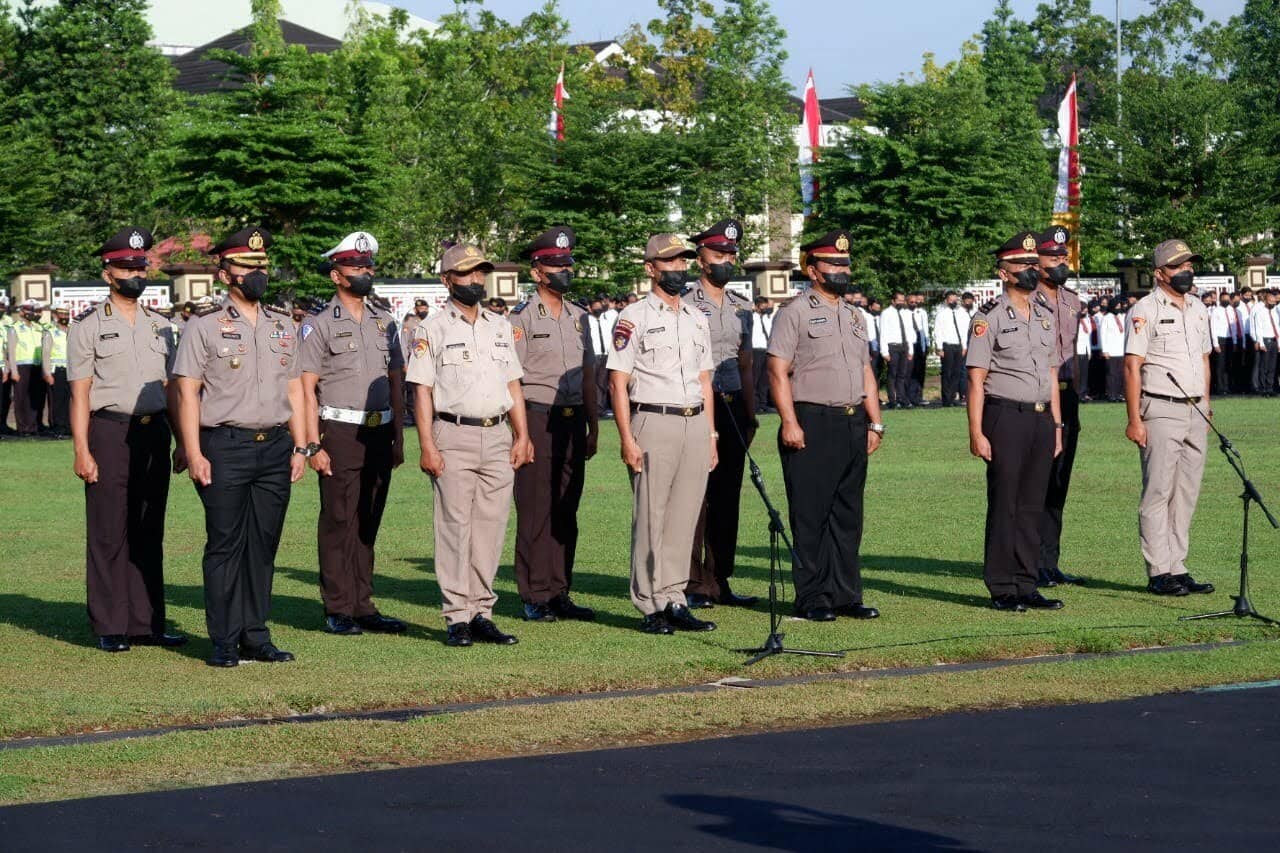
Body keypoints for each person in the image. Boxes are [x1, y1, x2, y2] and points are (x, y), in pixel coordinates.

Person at [173, 226, 305, 667]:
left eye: (262, 266)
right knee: (226, 544)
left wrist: (303, 447)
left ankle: (256, 634)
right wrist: (193, 453)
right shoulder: (204, 326)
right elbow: (187, 392)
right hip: (224, 445)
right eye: (248, 266)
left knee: (263, 544)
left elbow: (297, 390)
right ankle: (224, 639)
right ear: (225, 273)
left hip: (275, 447)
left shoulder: (283, 325)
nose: (257, 273)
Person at [408, 243, 534, 647]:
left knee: (491, 529)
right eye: (466, 274)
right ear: (447, 281)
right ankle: (456, 616)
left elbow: (512, 383)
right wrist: (427, 444)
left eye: (480, 273)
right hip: (454, 434)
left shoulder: (499, 325)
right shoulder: (432, 328)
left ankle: (482, 611)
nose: (476, 280)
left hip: (497, 435)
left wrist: (523, 434)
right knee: (454, 528)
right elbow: (422, 390)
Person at [68, 227, 185, 653]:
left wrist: (184, 442)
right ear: (108, 274)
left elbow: (174, 389)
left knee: (148, 528)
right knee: (108, 530)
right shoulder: (87, 327)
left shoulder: (163, 326)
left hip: (154, 431)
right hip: (110, 431)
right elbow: (80, 394)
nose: (135, 273)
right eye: (126, 267)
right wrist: (82, 449)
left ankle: (146, 622)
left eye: (140, 266)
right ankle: (110, 624)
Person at [768, 230, 883, 622]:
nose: (841, 270)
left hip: (852, 422)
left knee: (848, 515)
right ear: (812, 269)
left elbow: (865, 370)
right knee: (811, 514)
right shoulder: (794, 312)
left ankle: (846, 593)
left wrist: (876, 421)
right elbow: (777, 369)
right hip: (811, 422)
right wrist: (789, 421)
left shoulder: (854, 316)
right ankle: (812, 595)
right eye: (833, 264)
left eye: (845, 264)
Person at [606, 233, 717, 635]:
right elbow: (618, 382)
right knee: (651, 517)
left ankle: (674, 598)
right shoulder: (634, 317)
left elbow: (705, 380)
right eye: (669, 263)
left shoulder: (696, 317)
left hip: (694, 421)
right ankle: (649, 602)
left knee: (684, 518)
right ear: (651, 268)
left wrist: (712, 435)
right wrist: (626, 438)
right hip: (653, 419)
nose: (678, 269)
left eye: (682, 262)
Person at [298, 231, 408, 636]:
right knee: (339, 519)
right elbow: (306, 387)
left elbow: (396, 380)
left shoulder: (385, 321)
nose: (365, 272)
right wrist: (312, 444)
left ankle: (363, 603)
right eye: (356, 266)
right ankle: (338, 606)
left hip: (380, 430)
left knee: (368, 518)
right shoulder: (319, 324)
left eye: (367, 265)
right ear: (336, 275)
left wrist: (400, 434)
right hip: (339, 431)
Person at [966, 231, 1064, 613]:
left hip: (1041, 418)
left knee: (1031, 505)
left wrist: (1056, 427)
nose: (1028, 270)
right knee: (1005, 502)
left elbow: (1052, 375)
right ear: (1004, 273)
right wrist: (976, 431)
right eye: (1020, 265)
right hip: (1005, 415)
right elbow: (975, 379)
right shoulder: (987, 318)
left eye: (1031, 264)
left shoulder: (1043, 315)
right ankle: (1002, 585)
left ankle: (1027, 582)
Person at [508, 226, 598, 623]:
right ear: (537, 272)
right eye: (555, 264)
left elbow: (591, 374)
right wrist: (520, 433)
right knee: (535, 509)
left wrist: (594, 425)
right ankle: (534, 593)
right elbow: (512, 378)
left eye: (567, 263)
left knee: (566, 508)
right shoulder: (521, 319)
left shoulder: (581, 317)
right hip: (538, 417)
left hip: (573, 419)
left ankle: (560, 589)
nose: (564, 270)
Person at [1124, 240, 1215, 597]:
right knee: (1159, 491)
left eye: (1189, 264)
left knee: (1186, 493)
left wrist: (1206, 403)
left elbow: (1205, 358)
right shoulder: (1145, 309)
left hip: (1195, 409)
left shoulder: (1198, 308)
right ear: (1160, 273)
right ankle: (1159, 570)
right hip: (1160, 407)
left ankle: (1178, 565)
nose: (1186, 271)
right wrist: (1135, 419)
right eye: (1178, 266)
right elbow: (1133, 365)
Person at [682, 219, 759, 609]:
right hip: (696, 406)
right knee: (695, 498)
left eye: (731, 255)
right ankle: (694, 581)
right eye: (719, 255)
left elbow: (745, 362)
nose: (727, 261)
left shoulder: (742, 308)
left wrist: (751, 410)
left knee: (727, 497)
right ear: (701, 260)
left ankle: (721, 577)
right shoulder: (685, 303)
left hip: (732, 407)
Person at [1033, 226, 1087, 588]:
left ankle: (1050, 562)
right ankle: (1030, 561)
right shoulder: (1027, 299)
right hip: (1036, 395)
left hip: (1067, 396)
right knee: (1035, 483)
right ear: (1035, 262)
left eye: (1063, 258)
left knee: (1058, 484)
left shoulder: (1072, 302)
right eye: (1053, 258)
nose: (1060, 263)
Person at [7, 301, 48, 436]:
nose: (30, 313)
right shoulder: (14, 328)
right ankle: (23, 428)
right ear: (21, 312)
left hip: (36, 366)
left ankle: (34, 426)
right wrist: (14, 370)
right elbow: (11, 352)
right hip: (21, 366)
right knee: (21, 398)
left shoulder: (38, 328)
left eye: (32, 310)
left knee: (36, 397)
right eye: (27, 310)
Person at [878, 292, 915, 408]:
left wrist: (910, 350)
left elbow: (909, 332)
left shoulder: (906, 313)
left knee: (902, 374)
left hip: (904, 346)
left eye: (903, 300)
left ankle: (901, 398)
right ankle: (893, 400)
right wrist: (884, 351)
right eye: (899, 300)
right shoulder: (886, 313)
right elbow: (883, 332)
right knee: (892, 374)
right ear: (893, 301)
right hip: (892, 347)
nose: (901, 303)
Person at [932, 291, 969, 407]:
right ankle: (946, 399)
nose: (953, 302)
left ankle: (953, 397)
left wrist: (964, 346)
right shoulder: (941, 314)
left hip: (958, 345)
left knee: (957, 373)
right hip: (947, 345)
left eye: (955, 300)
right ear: (946, 300)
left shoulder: (961, 313)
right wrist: (939, 347)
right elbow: (937, 331)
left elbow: (964, 331)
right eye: (951, 300)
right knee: (947, 372)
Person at [42, 306, 72, 436]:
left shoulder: (72, 330)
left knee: (69, 400)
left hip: (70, 370)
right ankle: (57, 427)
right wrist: (47, 372)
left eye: (66, 314)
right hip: (57, 370)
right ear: (55, 315)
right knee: (57, 400)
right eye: (62, 314)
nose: (64, 317)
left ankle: (67, 426)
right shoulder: (50, 331)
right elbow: (45, 354)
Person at [1249, 289, 1277, 396]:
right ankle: (1263, 388)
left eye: (1274, 302)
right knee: (1263, 366)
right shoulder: (1259, 312)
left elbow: (1277, 328)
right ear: (1265, 301)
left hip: (1274, 340)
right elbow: (1258, 329)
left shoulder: (1275, 312)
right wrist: (1260, 343)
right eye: (1271, 302)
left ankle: (1270, 388)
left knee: (1272, 366)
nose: (1273, 304)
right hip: (1265, 340)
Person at [1100, 301, 1127, 401]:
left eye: (1119, 306)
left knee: (1120, 373)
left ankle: (1120, 394)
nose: (1118, 308)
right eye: (1117, 306)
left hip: (1121, 350)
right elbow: (1102, 335)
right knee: (1112, 374)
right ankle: (1112, 394)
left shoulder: (1121, 317)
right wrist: (1105, 350)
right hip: (1111, 351)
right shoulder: (1107, 318)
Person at [751, 295, 773, 413]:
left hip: (766, 350)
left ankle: (763, 404)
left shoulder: (767, 318)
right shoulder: (751, 317)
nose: (766, 308)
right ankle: (755, 405)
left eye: (766, 306)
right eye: (763, 306)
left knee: (765, 379)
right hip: (756, 350)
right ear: (757, 306)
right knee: (755, 378)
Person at [909, 293, 930, 405]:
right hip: (910, 344)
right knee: (911, 371)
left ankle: (919, 395)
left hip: (920, 343)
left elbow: (925, 329)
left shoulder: (922, 312)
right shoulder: (906, 313)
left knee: (920, 371)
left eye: (917, 302)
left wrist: (927, 343)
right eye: (913, 301)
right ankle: (911, 396)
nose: (916, 303)